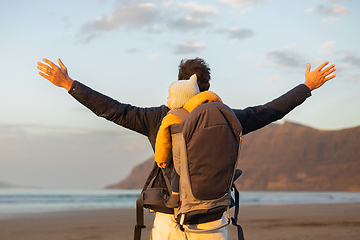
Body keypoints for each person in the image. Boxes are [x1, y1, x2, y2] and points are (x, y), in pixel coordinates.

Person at [37, 57, 336, 240]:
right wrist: (306, 86)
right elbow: (269, 111)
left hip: (170, 216)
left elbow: (113, 110)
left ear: (177, 85)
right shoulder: (226, 117)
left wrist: (69, 84)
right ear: (205, 87)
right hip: (213, 215)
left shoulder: (159, 117)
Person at [154, 74, 222, 208]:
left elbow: (163, 140)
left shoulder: (171, 117)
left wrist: (161, 158)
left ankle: (175, 196)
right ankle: (227, 176)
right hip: (210, 158)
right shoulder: (208, 111)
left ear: (178, 99)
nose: (167, 99)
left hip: (184, 161)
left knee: (175, 172)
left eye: (170, 96)